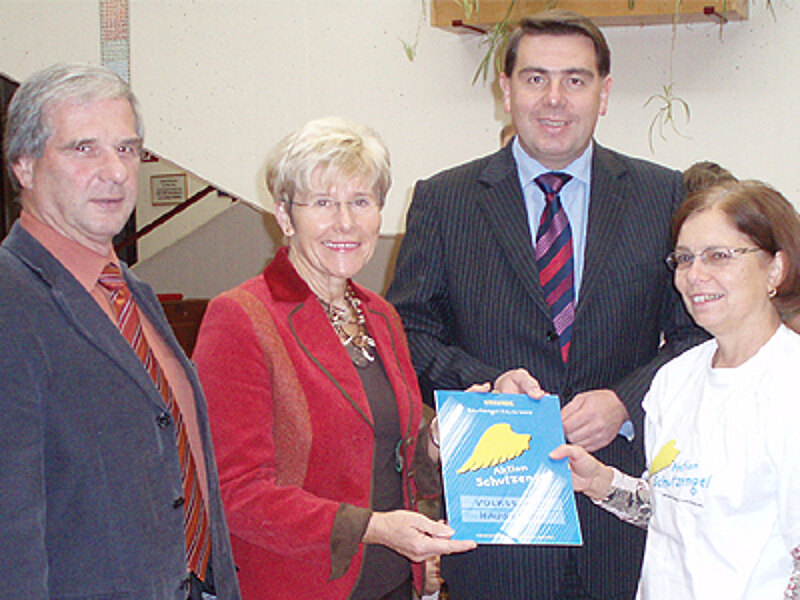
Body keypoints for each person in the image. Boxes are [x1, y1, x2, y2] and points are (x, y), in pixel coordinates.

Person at [386, 9, 707, 599]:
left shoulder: (662, 195)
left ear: (603, 94)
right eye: (535, 78)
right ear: (506, 89)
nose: (554, 99)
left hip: (624, 520)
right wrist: (488, 387)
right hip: (498, 522)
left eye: (575, 80)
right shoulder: (445, 200)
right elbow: (406, 333)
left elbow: (696, 334)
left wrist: (624, 400)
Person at [192, 116, 476, 600]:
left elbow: (387, 451)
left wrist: (436, 441)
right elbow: (233, 492)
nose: (345, 222)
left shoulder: (381, 315)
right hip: (297, 586)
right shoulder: (241, 317)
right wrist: (373, 528)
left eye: (361, 202)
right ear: (285, 216)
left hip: (392, 583)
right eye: (323, 203)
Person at [0, 63, 240, 599]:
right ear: (24, 165)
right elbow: (9, 533)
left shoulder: (133, 293)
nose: (114, 171)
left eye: (127, 149)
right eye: (84, 149)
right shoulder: (10, 301)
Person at [551, 179, 800, 599]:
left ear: (775, 267)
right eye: (684, 259)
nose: (694, 275)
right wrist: (601, 482)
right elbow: (672, 508)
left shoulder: (790, 383)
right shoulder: (675, 378)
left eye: (718, 256)